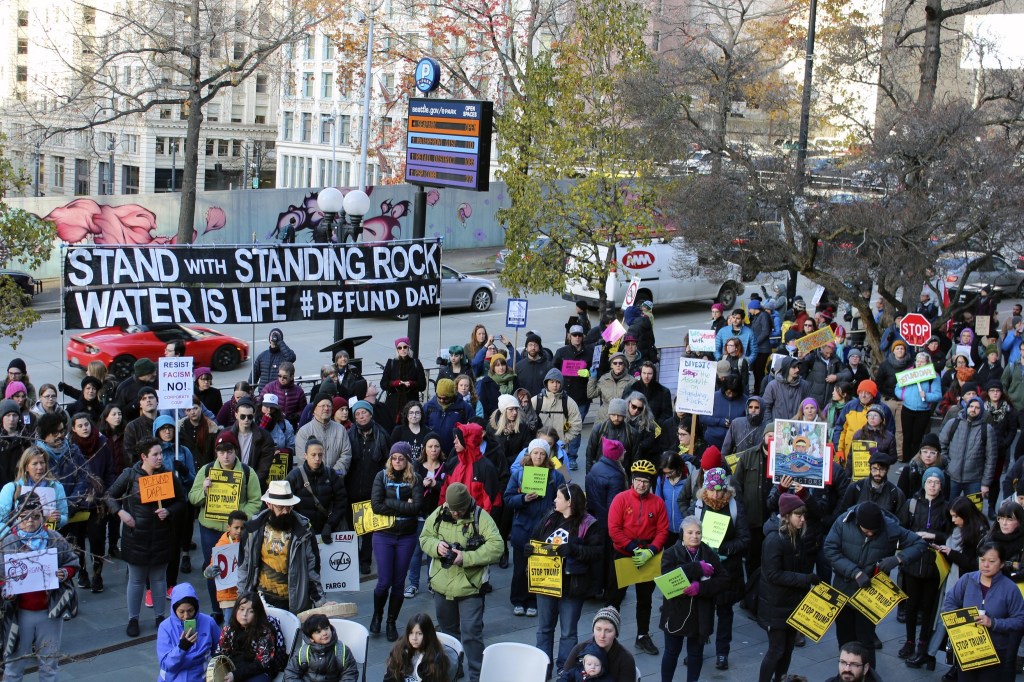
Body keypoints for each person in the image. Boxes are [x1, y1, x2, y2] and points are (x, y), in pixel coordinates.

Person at [823, 501, 928, 667]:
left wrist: (897, 559)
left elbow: (920, 544)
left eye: (874, 531)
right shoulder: (843, 522)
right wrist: (855, 572)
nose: (871, 534)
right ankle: (846, 673)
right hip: (844, 590)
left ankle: (868, 675)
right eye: (867, 531)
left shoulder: (890, 527)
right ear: (858, 523)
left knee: (865, 641)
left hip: (871, 595)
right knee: (845, 640)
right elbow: (830, 549)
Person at [419, 481, 504, 682]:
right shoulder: (440, 512)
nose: (454, 513)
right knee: (448, 636)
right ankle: (452, 671)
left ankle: (477, 676)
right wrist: (436, 546)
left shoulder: (480, 517)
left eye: (458, 510)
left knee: (471, 635)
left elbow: (497, 547)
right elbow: (424, 537)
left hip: (470, 588)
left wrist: (465, 557)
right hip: (442, 586)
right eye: (451, 509)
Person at [108, 437, 187, 637]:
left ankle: (160, 617)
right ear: (144, 456)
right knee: (136, 580)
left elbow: (181, 501)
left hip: (161, 536)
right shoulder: (129, 475)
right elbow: (109, 496)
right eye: (155, 454)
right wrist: (121, 513)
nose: (160, 457)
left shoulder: (168, 476)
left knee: (159, 579)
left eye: (161, 453)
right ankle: (133, 618)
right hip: (136, 538)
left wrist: (168, 511)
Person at [0, 491, 79, 682]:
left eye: (35, 517)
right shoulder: (8, 542)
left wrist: (64, 573)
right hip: (19, 614)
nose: (30, 522)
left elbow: (73, 562)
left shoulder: (54, 538)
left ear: (42, 516)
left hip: (49, 612)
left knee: (49, 665)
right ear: (17, 517)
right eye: (24, 517)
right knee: (14, 665)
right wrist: (5, 589)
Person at [190, 431, 263, 621]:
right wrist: (204, 491)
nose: (225, 456)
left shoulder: (247, 472)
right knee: (213, 569)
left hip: (238, 531)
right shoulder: (206, 471)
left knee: (240, 568)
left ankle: (239, 607)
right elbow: (192, 497)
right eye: (221, 452)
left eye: (229, 451)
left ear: (235, 451)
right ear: (216, 453)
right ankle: (217, 609)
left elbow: (256, 500)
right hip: (211, 529)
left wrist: (239, 517)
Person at [685, 467, 748, 670]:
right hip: (704, 569)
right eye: (711, 490)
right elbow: (685, 533)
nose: (715, 495)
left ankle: (722, 652)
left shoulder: (735, 506)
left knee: (725, 612)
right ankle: (698, 650)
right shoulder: (698, 506)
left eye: (719, 490)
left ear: (725, 489)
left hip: (727, 570)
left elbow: (745, 538)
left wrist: (726, 548)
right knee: (702, 612)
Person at [607, 459, 668, 656]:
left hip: (648, 557)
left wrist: (651, 550)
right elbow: (614, 529)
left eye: (645, 481)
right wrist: (633, 548)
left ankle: (642, 635)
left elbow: (662, 530)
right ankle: (608, 637)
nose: (641, 484)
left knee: (645, 600)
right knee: (613, 599)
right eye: (638, 480)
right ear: (632, 480)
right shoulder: (620, 499)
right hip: (624, 554)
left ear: (651, 483)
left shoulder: (658, 502)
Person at [236, 480, 325, 613]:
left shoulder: (304, 531)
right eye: (280, 507)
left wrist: (320, 602)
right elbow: (244, 567)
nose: (285, 511)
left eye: (288, 507)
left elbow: (312, 570)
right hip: (261, 601)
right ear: (269, 504)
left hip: (293, 603)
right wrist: (241, 600)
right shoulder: (253, 530)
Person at [657, 515, 728, 682]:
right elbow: (667, 578)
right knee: (671, 652)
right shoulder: (671, 553)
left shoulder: (708, 552)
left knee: (696, 654)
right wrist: (696, 568)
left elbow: (724, 580)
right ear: (682, 534)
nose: (694, 536)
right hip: (676, 612)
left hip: (700, 614)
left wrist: (700, 588)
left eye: (698, 532)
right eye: (690, 532)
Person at [942, 541, 1024, 680]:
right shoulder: (967, 579)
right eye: (982, 560)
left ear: (1002, 563)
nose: (985, 565)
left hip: (996, 651)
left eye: (991, 561)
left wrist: (993, 623)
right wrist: (959, 621)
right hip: (968, 648)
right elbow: (949, 603)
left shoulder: (1010, 588)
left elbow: (1020, 620)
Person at [758, 493, 817, 682]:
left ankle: (780, 680)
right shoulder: (774, 540)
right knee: (776, 649)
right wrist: (804, 579)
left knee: (788, 648)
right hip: (776, 604)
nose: (802, 519)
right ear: (786, 516)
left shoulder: (796, 535)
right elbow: (773, 574)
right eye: (798, 515)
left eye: (803, 515)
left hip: (792, 602)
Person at [369, 442, 424, 641]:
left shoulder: (415, 479)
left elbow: (416, 507)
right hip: (384, 534)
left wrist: (390, 504)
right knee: (384, 581)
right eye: (394, 458)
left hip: (406, 536)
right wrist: (403, 506)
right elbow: (376, 505)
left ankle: (391, 621)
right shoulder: (381, 476)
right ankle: (377, 614)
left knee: (399, 582)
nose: (397, 461)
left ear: (408, 460)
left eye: (401, 458)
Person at [506, 438, 566, 617]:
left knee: (539, 565)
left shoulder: (556, 475)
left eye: (542, 453)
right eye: (535, 453)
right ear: (529, 455)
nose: (538, 456)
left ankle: (533, 600)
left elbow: (565, 497)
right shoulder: (519, 474)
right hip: (522, 527)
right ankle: (518, 600)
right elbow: (508, 499)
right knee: (519, 568)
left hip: (544, 529)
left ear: (547, 455)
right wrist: (523, 499)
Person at [897, 466, 950, 669]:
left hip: (934, 565)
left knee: (928, 608)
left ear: (941, 485)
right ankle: (910, 641)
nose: (933, 485)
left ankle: (922, 643)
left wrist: (933, 536)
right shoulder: (912, 503)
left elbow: (950, 534)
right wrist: (914, 537)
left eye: (937, 482)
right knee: (911, 606)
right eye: (930, 481)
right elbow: (901, 528)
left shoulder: (946, 507)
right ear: (924, 483)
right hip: (913, 562)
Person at [68, 411, 117, 592]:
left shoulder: (103, 443)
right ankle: (82, 571)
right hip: (78, 502)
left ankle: (97, 573)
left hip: (98, 501)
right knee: (78, 540)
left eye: (86, 424)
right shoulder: (70, 447)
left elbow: (110, 471)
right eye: (80, 426)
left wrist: (107, 493)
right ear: (73, 428)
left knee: (97, 539)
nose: (84, 428)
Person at [347, 399, 392, 573]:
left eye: (364, 412)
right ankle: (353, 559)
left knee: (368, 529)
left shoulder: (382, 434)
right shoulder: (349, 434)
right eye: (357, 414)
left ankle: (365, 561)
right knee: (352, 528)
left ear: (370, 414)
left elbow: (387, 461)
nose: (361, 416)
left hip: (372, 488)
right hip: (352, 488)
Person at [214, 592, 287, 682]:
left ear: (257, 614)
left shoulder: (264, 632)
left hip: (260, 670)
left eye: (251, 611)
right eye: (241, 609)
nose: (245, 614)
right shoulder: (228, 629)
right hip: (236, 666)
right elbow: (221, 652)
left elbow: (262, 663)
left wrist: (236, 675)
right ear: (236, 609)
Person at [406, 435, 446, 598]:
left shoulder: (444, 466)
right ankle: (413, 584)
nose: (433, 450)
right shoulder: (417, 466)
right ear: (424, 448)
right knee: (416, 551)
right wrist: (420, 485)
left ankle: (432, 582)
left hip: (437, 516)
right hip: (420, 515)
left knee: (433, 551)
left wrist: (436, 484)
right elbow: (409, 487)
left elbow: (447, 488)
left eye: (436, 446)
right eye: (430, 446)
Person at [157, 582, 222, 682]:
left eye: (190, 610)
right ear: (174, 610)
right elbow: (166, 665)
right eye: (181, 612)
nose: (186, 616)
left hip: (201, 677)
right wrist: (181, 648)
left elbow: (220, 649)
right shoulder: (165, 627)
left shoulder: (209, 622)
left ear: (196, 608)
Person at [285, 437, 348, 540]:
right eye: (313, 455)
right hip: (301, 531)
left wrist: (330, 524)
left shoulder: (331, 474)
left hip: (327, 529)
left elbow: (341, 501)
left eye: (320, 455)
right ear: (305, 456)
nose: (317, 459)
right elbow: (286, 505)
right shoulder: (294, 476)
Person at [939, 395, 998, 500]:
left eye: (977, 407)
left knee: (973, 513)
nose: (973, 409)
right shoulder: (953, 423)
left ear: (981, 410)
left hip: (974, 480)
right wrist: (948, 464)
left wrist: (985, 483)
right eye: (971, 406)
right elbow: (941, 446)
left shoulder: (987, 429)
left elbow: (991, 459)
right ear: (966, 407)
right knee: (949, 511)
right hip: (952, 477)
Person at [554, 325, 594, 470]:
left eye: (579, 335)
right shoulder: (561, 352)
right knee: (561, 427)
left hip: (581, 397)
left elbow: (597, 371)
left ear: (583, 336)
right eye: (574, 335)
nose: (577, 337)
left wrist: (589, 373)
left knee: (575, 428)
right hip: (562, 397)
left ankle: (572, 457)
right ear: (569, 336)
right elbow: (553, 371)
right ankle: (559, 454)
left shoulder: (589, 353)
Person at [559, 607, 637, 682]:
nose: (602, 635)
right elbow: (565, 676)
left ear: (616, 633)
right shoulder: (580, 649)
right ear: (593, 630)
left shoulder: (625, 659)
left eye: (608, 631)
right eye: (598, 629)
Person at [283, 614, 359, 682]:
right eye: (318, 632)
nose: (324, 633)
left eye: (326, 628)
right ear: (311, 638)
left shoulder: (342, 651)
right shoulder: (303, 652)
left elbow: (350, 673)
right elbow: (291, 673)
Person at [383, 612, 453, 682]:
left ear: (427, 634)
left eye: (419, 633)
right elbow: (390, 677)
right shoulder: (400, 648)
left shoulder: (436, 658)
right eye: (411, 633)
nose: (414, 638)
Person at [296, 392, 353, 476]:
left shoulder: (341, 430)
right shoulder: (304, 431)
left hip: (335, 481)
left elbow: (346, 455)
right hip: (312, 482)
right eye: (322, 406)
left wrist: (332, 475)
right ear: (314, 409)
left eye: (329, 406)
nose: (326, 408)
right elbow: (302, 458)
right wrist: (318, 476)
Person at [208, 510, 248, 624]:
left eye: (242, 528)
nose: (239, 531)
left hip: (243, 591)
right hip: (228, 595)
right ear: (228, 527)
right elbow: (211, 567)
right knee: (229, 623)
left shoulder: (248, 541)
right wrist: (209, 572)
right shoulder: (221, 546)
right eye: (236, 528)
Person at [230, 398, 277, 490]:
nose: (246, 419)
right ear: (236, 415)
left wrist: (251, 484)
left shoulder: (265, 437)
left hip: (255, 485)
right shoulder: (226, 435)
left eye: (250, 416)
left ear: (254, 415)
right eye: (243, 416)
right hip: (231, 484)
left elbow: (264, 467)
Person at [382, 337, 428, 425]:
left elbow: (422, 385)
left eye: (405, 347)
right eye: (400, 348)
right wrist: (394, 383)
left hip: (410, 402)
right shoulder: (391, 363)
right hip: (393, 405)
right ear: (397, 350)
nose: (402, 350)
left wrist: (412, 384)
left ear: (408, 348)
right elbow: (383, 384)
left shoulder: (416, 363)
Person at [762, 357, 811, 422]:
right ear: (786, 368)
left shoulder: (804, 385)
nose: (797, 370)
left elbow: (809, 405)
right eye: (794, 367)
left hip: (797, 427)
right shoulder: (773, 385)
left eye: (798, 367)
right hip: (777, 428)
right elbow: (765, 407)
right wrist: (770, 425)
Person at [252, 328, 297, 393]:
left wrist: (280, 342)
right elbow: (253, 376)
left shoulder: (284, 355)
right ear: (269, 338)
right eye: (272, 335)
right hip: (263, 394)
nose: (274, 336)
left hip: (279, 394)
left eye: (277, 335)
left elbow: (291, 358)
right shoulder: (262, 356)